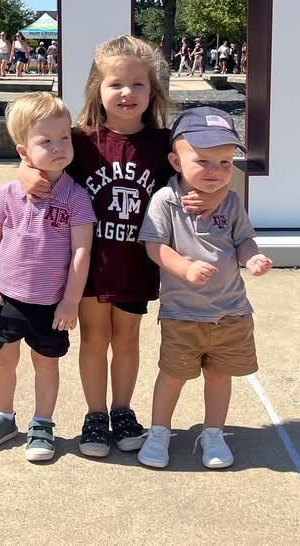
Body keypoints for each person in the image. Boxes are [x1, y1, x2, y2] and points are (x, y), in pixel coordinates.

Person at [17, 35, 219, 457]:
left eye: (138, 84)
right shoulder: (79, 140)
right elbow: (35, 148)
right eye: (116, 84)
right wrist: (24, 173)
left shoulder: (166, 145)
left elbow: (210, 169)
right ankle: (95, 415)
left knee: (127, 340)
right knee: (93, 339)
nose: (127, 93)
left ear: (153, 90)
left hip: (137, 263)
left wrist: (211, 197)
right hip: (88, 265)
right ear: (98, 89)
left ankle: (123, 410)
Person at [136, 107, 273, 469]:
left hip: (231, 311)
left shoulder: (231, 201)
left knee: (219, 375)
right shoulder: (166, 200)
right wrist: (184, 267)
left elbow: (243, 239)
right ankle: (159, 431)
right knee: (173, 375)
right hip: (183, 313)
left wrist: (253, 258)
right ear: (176, 161)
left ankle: (213, 432)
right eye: (204, 161)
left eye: (225, 163)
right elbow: (154, 246)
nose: (216, 171)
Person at [0, 92, 96, 462]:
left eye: (64, 138)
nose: (58, 147)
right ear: (24, 152)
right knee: (2, 360)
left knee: (46, 363)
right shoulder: (8, 192)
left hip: (51, 304)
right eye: (46, 141)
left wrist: (71, 299)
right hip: (7, 297)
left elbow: (81, 250)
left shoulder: (76, 197)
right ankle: (3, 416)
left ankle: (43, 423)